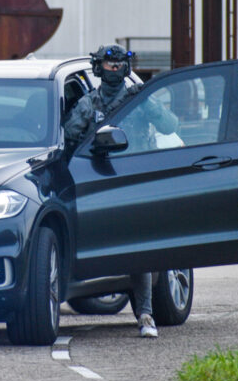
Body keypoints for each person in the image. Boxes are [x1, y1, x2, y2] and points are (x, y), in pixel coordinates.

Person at [64, 43, 178, 338]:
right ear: (98, 68)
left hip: (136, 180)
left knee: (138, 251)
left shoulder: (138, 99)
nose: (113, 70)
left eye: (118, 66)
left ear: (126, 69)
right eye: (108, 66)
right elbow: (69, 139)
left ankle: (145, 315)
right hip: (100, 181)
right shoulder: (89, 104)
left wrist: (147, 103)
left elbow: (170, 125)